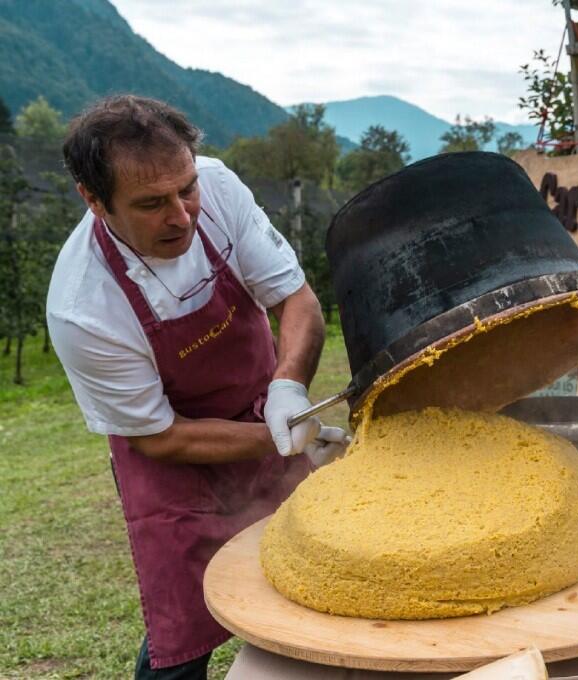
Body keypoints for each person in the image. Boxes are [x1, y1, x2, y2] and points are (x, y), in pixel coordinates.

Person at [47, 94, 349, 678]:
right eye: (151, 203)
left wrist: (288, 391)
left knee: (309, 573)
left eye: (185, 188)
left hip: (265, 407)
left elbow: (296, 299)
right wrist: (275, 437)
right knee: (183, 629)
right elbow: (160, 438)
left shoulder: (219, 189)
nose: (181, 216)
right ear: (94, 199)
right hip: (175, 459)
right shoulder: (84, 306)